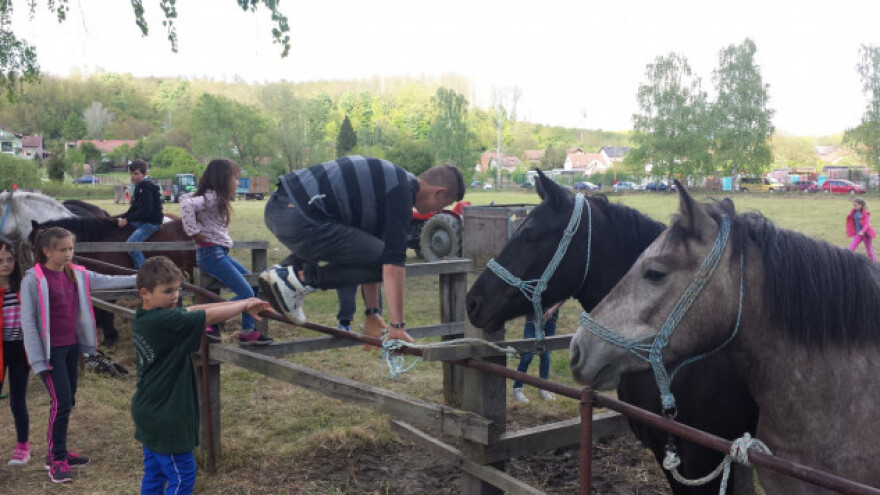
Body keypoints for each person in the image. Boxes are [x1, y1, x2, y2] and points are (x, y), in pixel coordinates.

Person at [260, 155, 464, 344]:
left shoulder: (394, 183)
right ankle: (297, 280)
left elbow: (367, 252)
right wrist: (397, 327)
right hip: (298, 215)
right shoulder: (401, 192)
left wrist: (373, 312)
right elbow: (392, 265)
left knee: (375, 255)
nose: (439, 212)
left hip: (282, 207)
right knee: (385, 260)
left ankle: (283, 273)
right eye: (444, 205)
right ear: (439, 192)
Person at [131, 256, 270, 495]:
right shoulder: (165, 321)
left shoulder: (146, 317)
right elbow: (206, 317)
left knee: (155, 474)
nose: (175, 296)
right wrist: (243, 306)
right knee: (183, 476)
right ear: (145, 292)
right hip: (167, 415)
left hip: (149, 409)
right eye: (167, 291)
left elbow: (193, 309)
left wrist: (245, 300)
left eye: (177, 289)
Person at [20, 227, 137, 483]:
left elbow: (108, 281)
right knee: (61, 403)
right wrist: (37, 359)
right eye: (63, 250)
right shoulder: (33, 280)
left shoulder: (77, 274)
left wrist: (140, 278)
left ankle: (58, 450)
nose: (68, 254)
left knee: (69, 400)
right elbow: (28, 322)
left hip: (72, 347)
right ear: (47, 251)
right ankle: (56, 458)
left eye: (71, 249)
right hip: (49, 353)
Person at [180, 158, 273, 345]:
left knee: (252, 285)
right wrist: (194, 232)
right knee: (247, 292)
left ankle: (247, 331)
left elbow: (185, 198)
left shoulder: (214, 197)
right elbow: (186, 204)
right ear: (223, 179)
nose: (238, 182)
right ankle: (207, 319)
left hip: (219, 253)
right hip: (212, 254)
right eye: (235, 178)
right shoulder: (212, 196)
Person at [0, 238, 32, 466]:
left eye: (9, 259)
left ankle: (23, 446)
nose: (5, 264)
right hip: (0, 351)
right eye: (0, 260)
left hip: (20, 350)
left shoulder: (24, 286)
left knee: (18, 400)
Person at [118, 160, 164, 269]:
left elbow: (145, 210)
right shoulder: (139, 187)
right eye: (131, 173)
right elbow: (134, 207)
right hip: (143, 220)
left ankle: (144, 271)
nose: (133, 176)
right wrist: (123, 217)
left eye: (136, 174)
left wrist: (128, 220)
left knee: (131, 245)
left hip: (151, 223)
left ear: (144, 174)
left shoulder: (146, 187)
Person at [511, 304, 561, 403]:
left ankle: (543, 388)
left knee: (545, 356)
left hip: (550, 321)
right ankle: (517, 389)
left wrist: (552, 309)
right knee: (527, 356)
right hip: (532, 320)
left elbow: (563, 296)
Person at [847, 197, 876, 262]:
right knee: (851, 249)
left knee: (869, 251)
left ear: (861, 205)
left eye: (856, 205)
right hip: (858, 234)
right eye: (853, 205)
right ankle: (849, 262)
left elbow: (867, 225)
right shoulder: (853, 212)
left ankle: (874, 263)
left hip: (866, 234)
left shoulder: (865, 214)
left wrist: (862, 231)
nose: (854, 206)